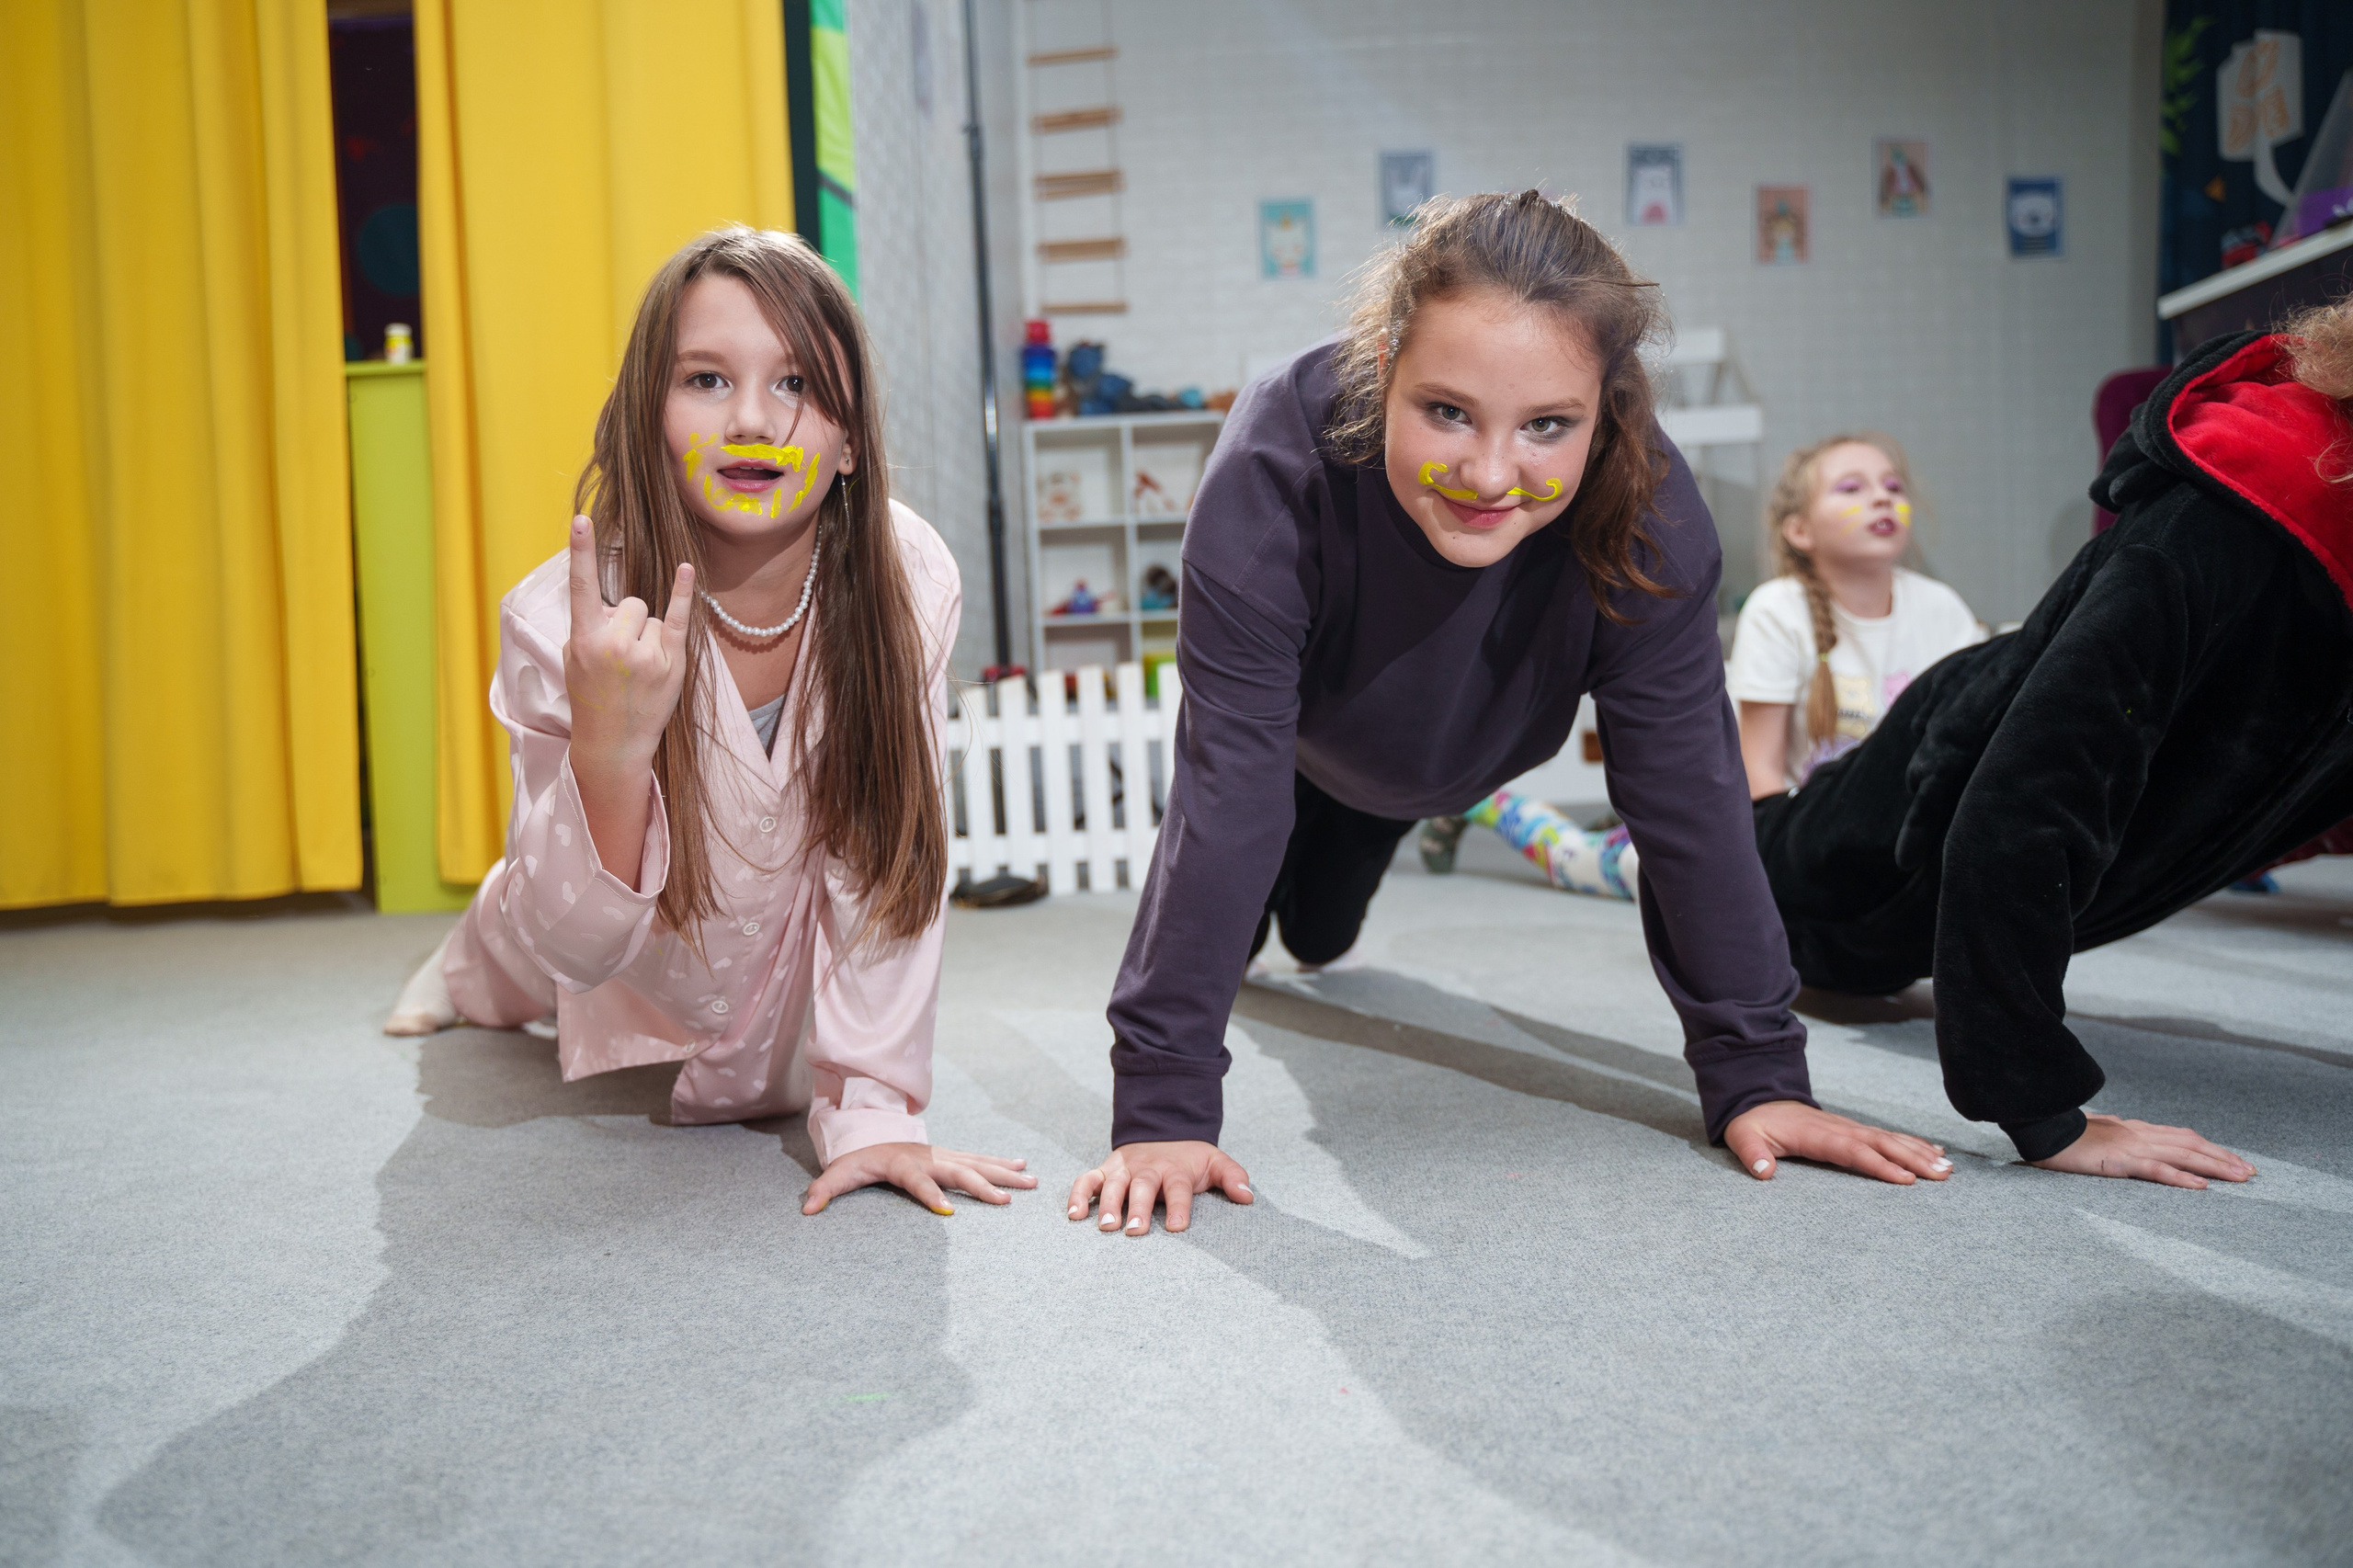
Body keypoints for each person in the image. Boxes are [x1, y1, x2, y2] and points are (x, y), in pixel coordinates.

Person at [1069, 191, 1954, 1238]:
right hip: (1302, 745)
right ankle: (1304, 874)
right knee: (1278, 909)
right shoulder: (1278, 462)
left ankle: (1403, 826)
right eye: (1446, 410)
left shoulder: (1655, 521)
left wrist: (1759, 1072)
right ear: (1387, 359)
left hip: (1464, 754)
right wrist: (1162, 1105)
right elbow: (1222, 791)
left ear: (1604, 406)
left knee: (1325, 932)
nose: (1489, 475)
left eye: (1547, 425)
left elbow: (1691, 805)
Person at [381, 226, 1032, 1219]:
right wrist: (608, 748)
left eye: (798, 386)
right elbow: (577, 946)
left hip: (770, 937)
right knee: (516, 949)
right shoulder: (562, 619)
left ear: (851, 438)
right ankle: (462, 954)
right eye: (706, 380)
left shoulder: (910, 579)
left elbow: (883, 854)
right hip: (599, 931)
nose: (754, 423)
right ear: (648, 414)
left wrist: (874, 1114)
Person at [1754, 312, 2353, 1186]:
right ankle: (1626, 851)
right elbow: (2028, 797)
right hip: (1904, 798)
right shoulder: (2230, 508)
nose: (1880, 499)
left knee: (1849, 944)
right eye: (1850, 489)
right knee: (1719, 876)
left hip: (1966, 841)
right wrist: (2042, 1110)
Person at [1727, 435, 1985, 797]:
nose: (1883, 498)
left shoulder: (1941, 607)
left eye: (1894, 486)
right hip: (1807, 840)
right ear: (1800, 531)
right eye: (1851, 489)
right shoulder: (1776, 611)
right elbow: (1759, 772)